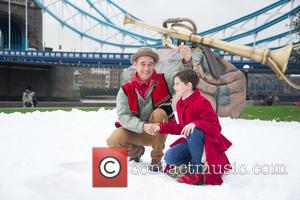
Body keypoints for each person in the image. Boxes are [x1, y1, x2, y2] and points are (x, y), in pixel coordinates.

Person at [106, 45, 192, 172]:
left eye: (150, 64)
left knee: (160, 113)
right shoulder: (125, 90)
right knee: (113, 141)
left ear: (154, 65)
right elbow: (124, 117)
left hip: (157, 132)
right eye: (143, 64)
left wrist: (186, 61)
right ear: (135, 64)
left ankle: (156, 158)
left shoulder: (165, 79)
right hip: (137, 131)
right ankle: (137, 151)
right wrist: (143, 126)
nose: (146, 68)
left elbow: (183, 79)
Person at [149, 69, 232, 185]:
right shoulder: (180, 103)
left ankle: (199, 173)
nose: (174, 87)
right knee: (170, 157)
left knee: (193, 131)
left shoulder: (202, 102)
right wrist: (161, 128)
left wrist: (196, 124)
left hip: (207, 146)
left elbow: (216, 127)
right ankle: (192, 167)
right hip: (192, 142)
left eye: (177, 84)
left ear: (188, 86)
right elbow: (182, 128)